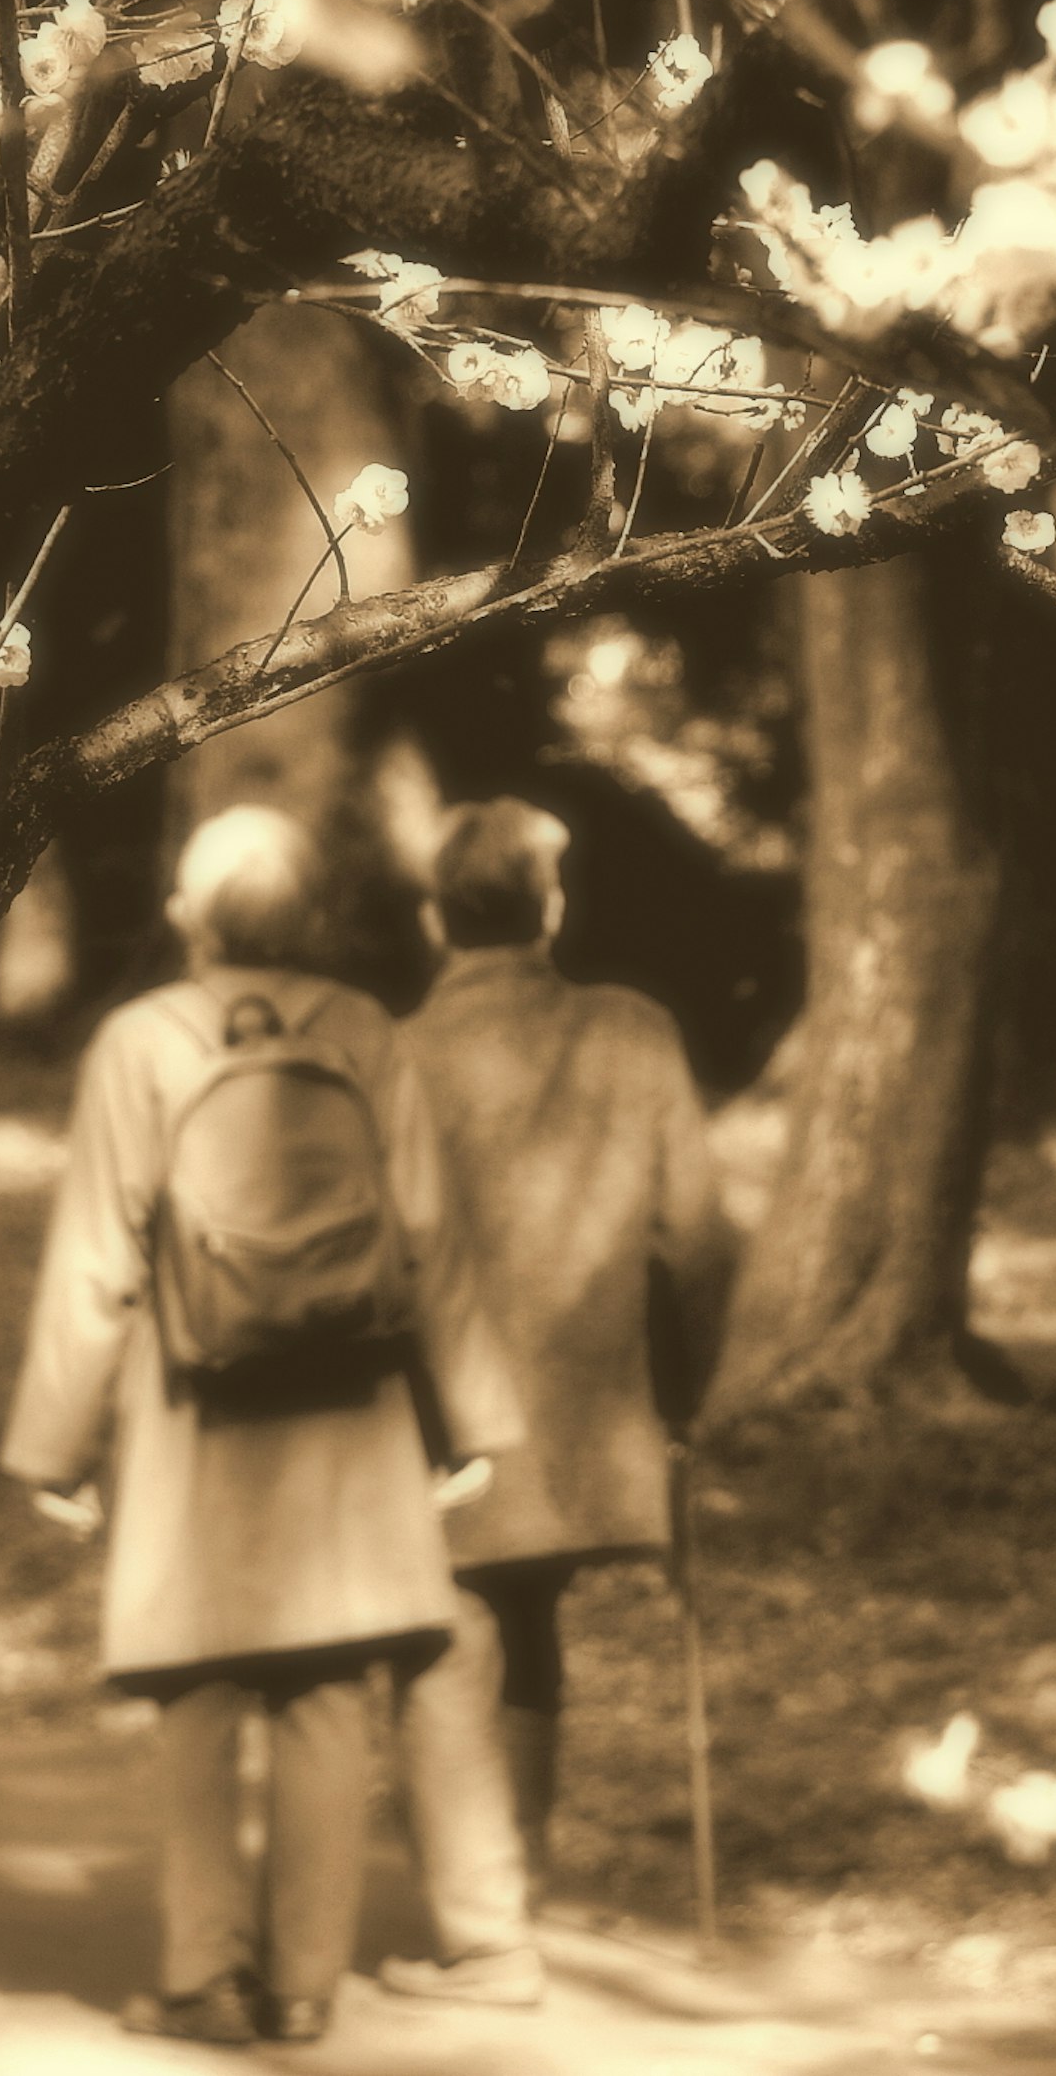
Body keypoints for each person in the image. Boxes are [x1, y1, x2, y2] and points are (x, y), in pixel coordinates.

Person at [0, 805, 524, 2050]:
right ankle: (301, 1986)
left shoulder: (140, 1040)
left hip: (193, 1410)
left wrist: (54, 1446)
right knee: (330, 1688)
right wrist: (472, 1419)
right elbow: (427, 1232)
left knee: (197, 1691)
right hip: (352, 1411)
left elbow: (95, 1257)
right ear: (314, 916)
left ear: (193, 915)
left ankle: (199, 1976)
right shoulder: (365, 1032)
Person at [378, 797, 740, 2010]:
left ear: (437, 918)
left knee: (453, 1637)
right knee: (523, 1615)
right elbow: (697, 1239)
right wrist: (686, 1386)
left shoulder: (400, 1053)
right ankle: (511, 1870)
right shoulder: (634, 1031)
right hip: (589, 1410)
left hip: (449, 1416)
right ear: (553, 910)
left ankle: (489, 1931)